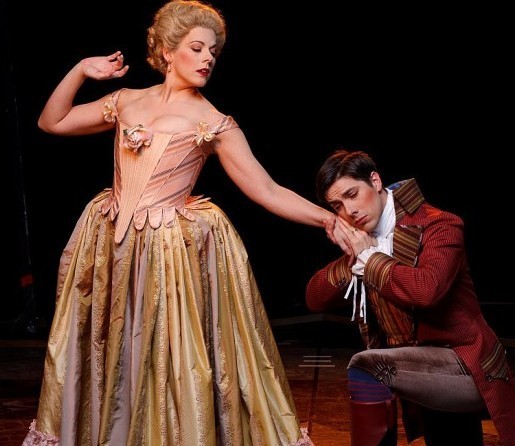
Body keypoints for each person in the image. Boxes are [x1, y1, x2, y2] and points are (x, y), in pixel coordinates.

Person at [21, 1, 346, 444]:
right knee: (112, 349)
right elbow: (51, 121)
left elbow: (268, 190)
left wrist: (328, 220)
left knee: (163, 356)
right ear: (168, 52)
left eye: (213, 51)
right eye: (197, 48)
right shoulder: (126, 100)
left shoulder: (213, 123)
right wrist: (81, 70)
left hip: (165, 253)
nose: (208, 58)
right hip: (110, 245)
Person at [305, 149, 515, 445]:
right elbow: (315, 299)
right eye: (338, 206)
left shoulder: (440, 225)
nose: (349, 211)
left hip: (466, 365)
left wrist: (369, 259)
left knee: (366, 367)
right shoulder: (365, 243)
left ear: (375, 181)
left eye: (352, 194)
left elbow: (426, 290)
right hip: (418, 367)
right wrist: (354, 259)